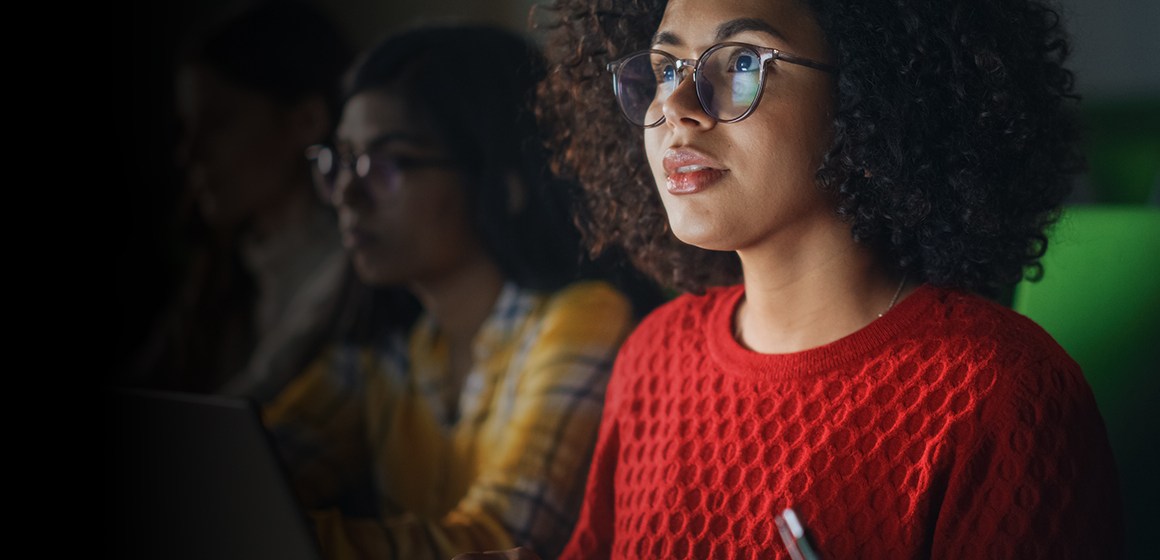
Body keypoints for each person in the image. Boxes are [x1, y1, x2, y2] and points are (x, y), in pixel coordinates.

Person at [459, 0, 1124, 557]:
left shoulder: (1003, 397)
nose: (677, 107)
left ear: (876, 90)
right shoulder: (652, 357)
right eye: (665, 68)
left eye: (742, 62)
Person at [260, 25, 661, 560]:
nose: (348, 195)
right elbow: (252, 474)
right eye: (342, 161)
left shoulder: (579, 319)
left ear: (504, 181)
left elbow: (500, 543)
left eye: (388, 162)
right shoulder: (387, 355)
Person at [124, 0, 354, 402]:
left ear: (306, 122)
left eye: (217, 123)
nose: (189, 154)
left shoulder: (353, 276)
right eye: (186, 128)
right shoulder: (216, 280)